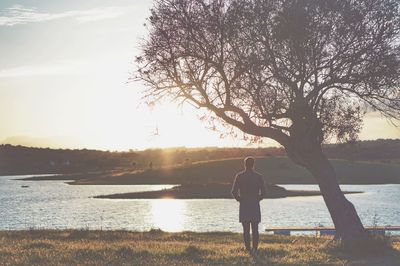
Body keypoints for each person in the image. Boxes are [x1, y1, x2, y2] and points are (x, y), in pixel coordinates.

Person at [231, 157, 266, 252]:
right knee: (255, 229)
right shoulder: (259, 176)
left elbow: (234, 191)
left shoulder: (239, 176)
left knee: (245, 230)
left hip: (244, 205)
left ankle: (247, 249)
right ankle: (255, 248)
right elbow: (264, 193)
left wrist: (240, 200)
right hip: (254, 205)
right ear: (253, 164)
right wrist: (257, 199)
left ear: (244, 164)